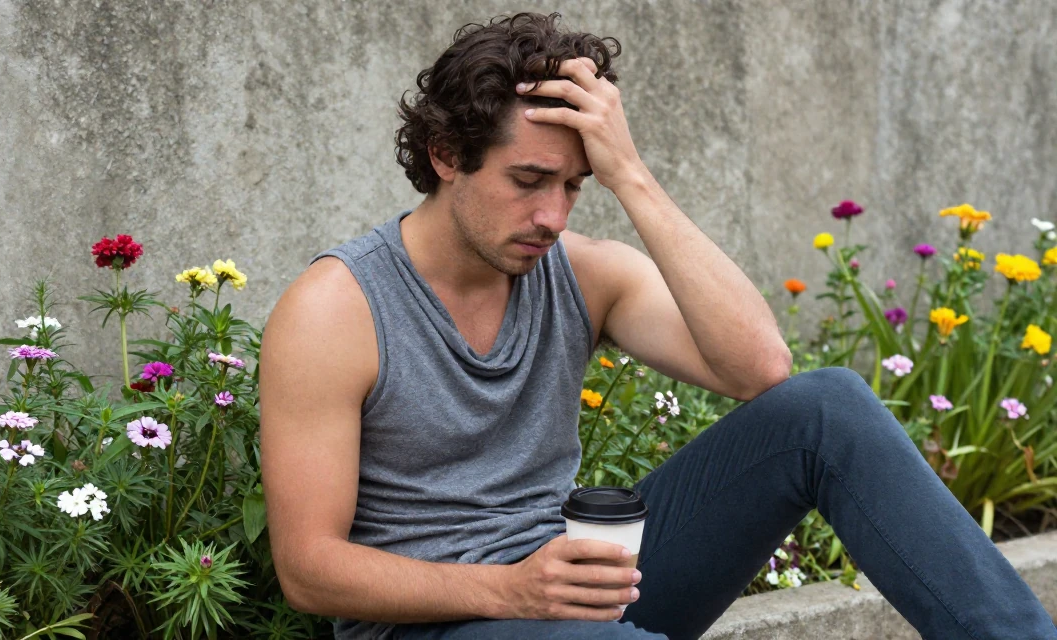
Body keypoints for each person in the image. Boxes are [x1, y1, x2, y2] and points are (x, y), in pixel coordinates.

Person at [258, 11, 1057, 640]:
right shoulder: (337, 309)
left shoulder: (580, 269)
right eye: (528, 180)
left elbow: (760, 370)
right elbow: (309, 569)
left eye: (575, 186)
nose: (550, 215)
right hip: (443, 624)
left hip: (577, 592)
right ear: (443, 153)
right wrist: (510, 588)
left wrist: (631, 173)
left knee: (827, 407)